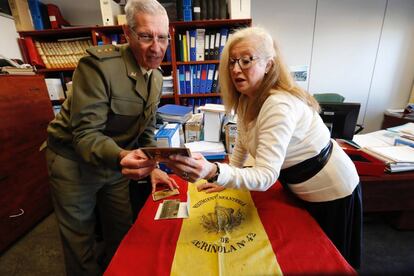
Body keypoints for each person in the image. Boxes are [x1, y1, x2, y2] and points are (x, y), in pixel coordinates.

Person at [165, 26, 362, 268]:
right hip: (300, 183)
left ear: (269, 64)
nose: (236, 69)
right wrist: (223, 179)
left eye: (246, 61)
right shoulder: (249, 98)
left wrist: (215, 172)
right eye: (232, 62)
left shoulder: (277, 105)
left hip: (331, 190)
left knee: (328, 262)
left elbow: (266, 176)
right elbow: (242, 144)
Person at [45, 0, 178, 275]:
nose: (156, 47)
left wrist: (151, 166)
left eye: (162, 37)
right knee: (80, 241)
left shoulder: (156, 77)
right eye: (145, 36)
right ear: (127, 34)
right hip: (72, 161)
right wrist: (122, 156)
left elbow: (147, 129)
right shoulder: (98, 66)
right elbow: (85, 135)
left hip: (118, 160)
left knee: (121, 229)